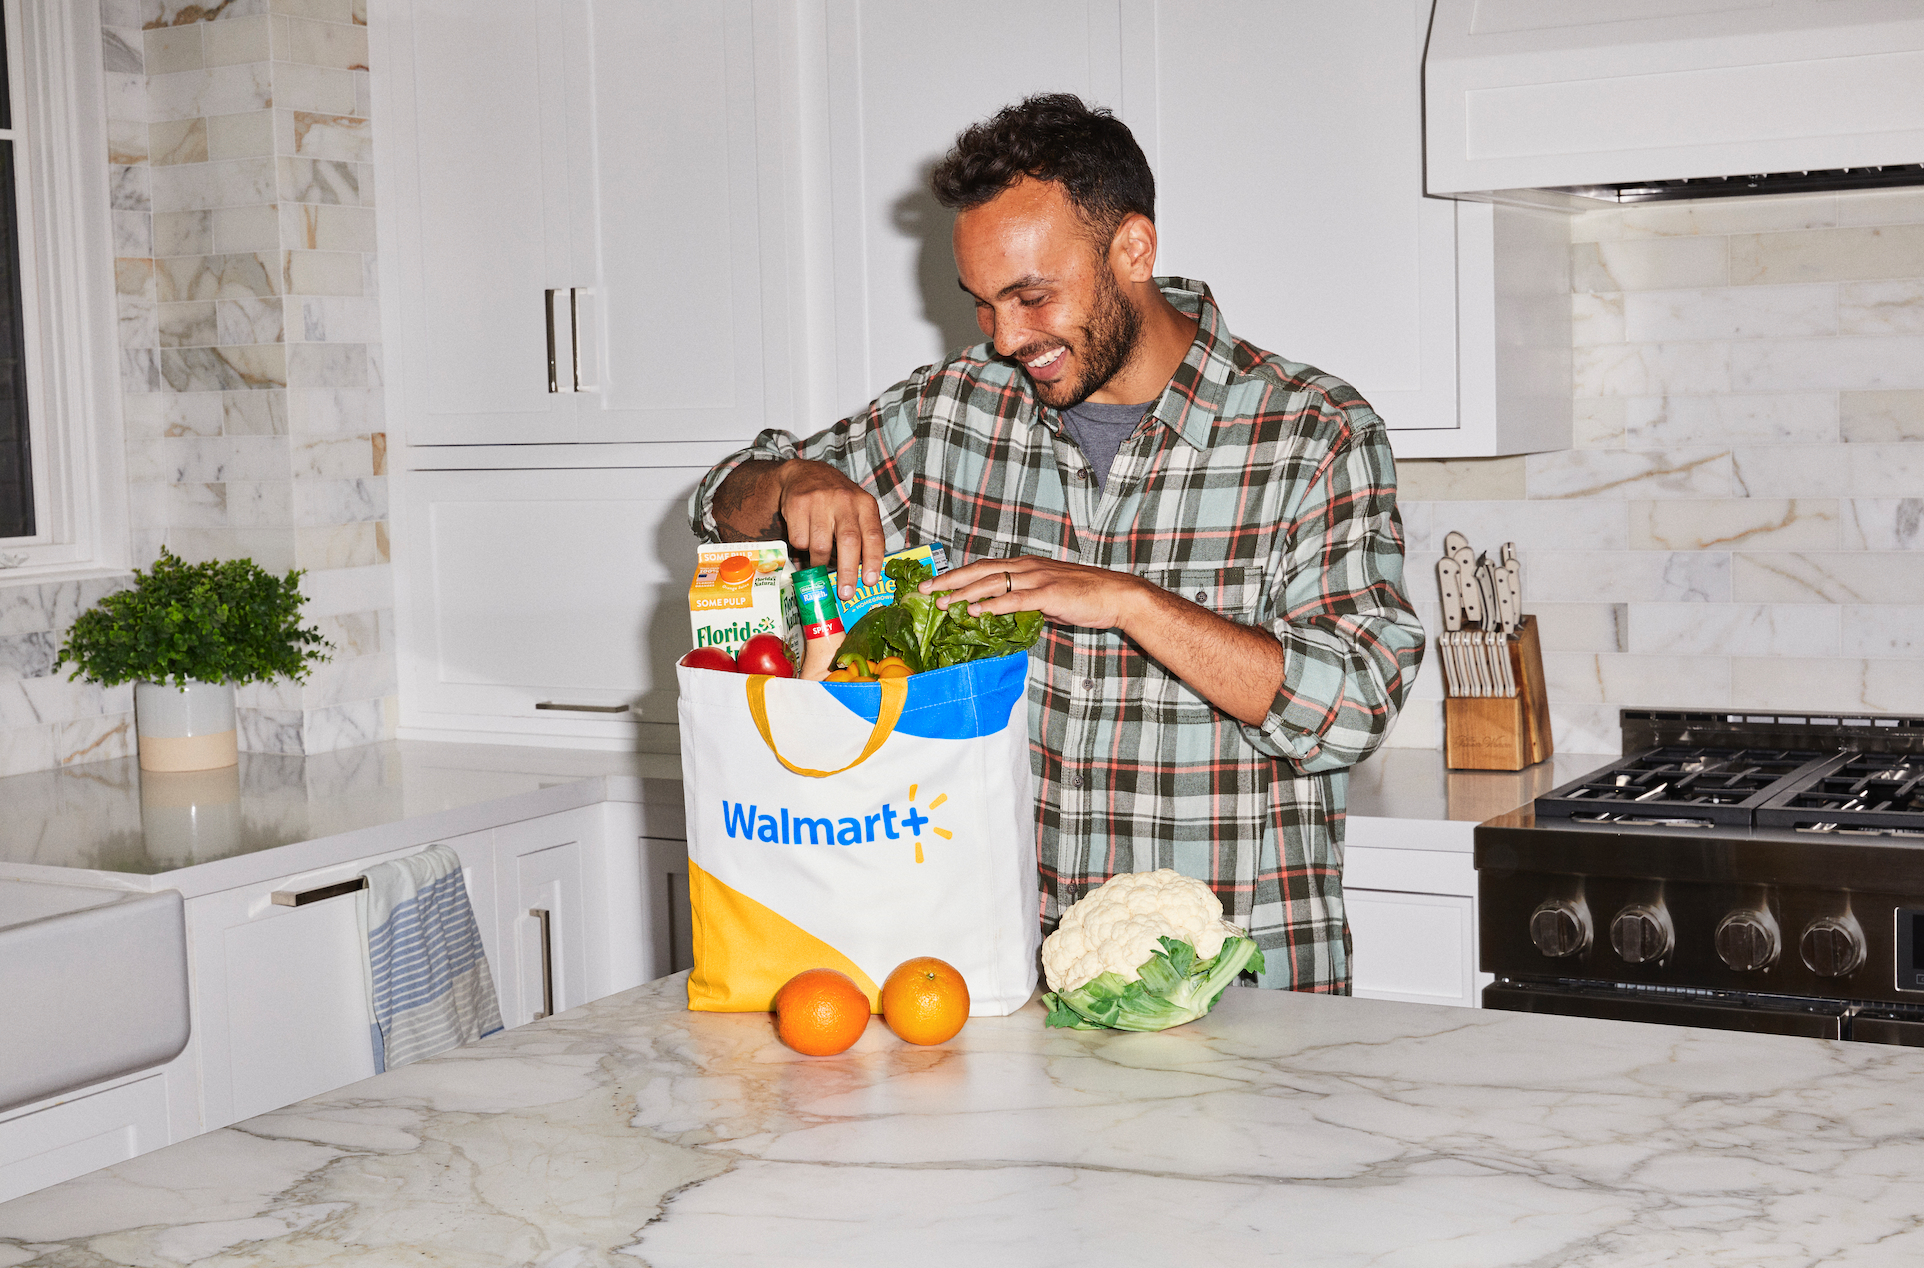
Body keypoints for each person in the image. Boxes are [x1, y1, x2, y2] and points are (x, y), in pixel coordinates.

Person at [690, 93, 1425, 992]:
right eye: (983, 304)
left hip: (1231, 996)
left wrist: (1128, 601)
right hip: (990, 978)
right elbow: (722, 505)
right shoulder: (951, 411)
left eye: (1031, 296)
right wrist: (793, 480)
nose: (1005, 338)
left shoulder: (1312, 432)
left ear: (1134, 250)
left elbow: (1353, 707)